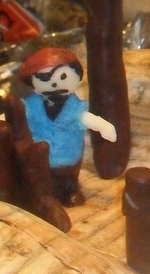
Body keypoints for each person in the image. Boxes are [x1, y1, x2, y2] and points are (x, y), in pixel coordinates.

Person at [19, 47, 116, 205]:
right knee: (42, 182)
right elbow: (15, 115)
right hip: (39, 159)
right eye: (44, 78)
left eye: (62, 76)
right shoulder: (31, 106)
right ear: (33, 82)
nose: (54, 83)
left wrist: (104, 127)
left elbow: (86, 118)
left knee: (69, 181)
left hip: (69, 157)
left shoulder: (75, 108)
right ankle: (45, 196)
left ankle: (70, 192)